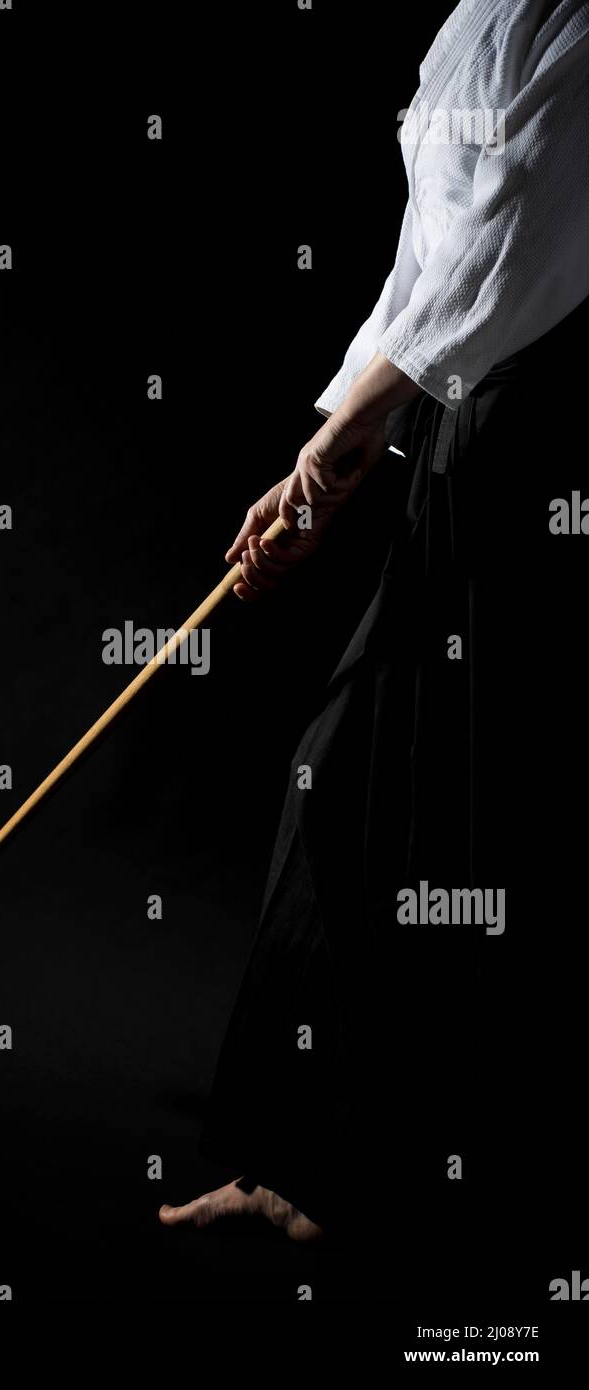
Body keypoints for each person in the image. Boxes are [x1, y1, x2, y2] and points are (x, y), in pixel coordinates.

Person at [159, 0, 589, 1247]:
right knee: (362, 783)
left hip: (541, 431)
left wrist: (348, 437)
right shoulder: (477, 17)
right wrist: (331, 450)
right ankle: (320, 1169)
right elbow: (431, 250)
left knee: (468, 802)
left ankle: (422, 1182)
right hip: (462, 417)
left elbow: (516, 227)